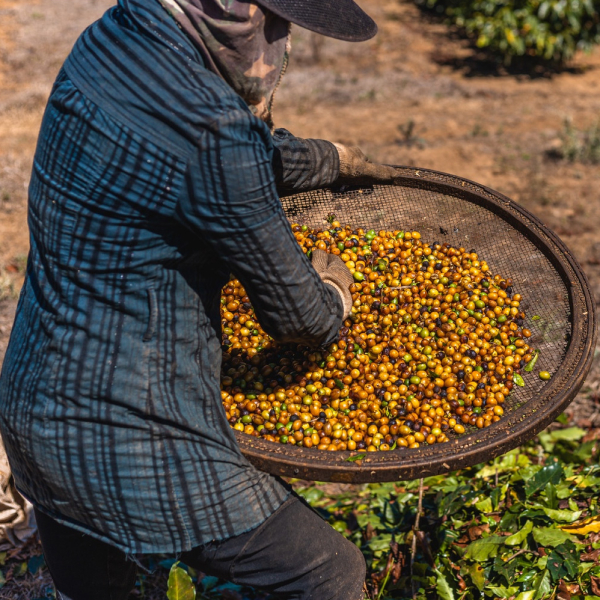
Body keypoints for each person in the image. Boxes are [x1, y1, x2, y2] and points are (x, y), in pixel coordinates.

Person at [0, 0, 400, 598]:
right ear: (237, 10)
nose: (283, 41)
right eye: (279, 23)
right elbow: (299, 319)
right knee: (328, 571)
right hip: (126, 434)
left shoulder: (115, 38)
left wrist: (328, 158)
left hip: (33, 408)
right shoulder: (217, 132)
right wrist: (335, 295)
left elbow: (196, 156)